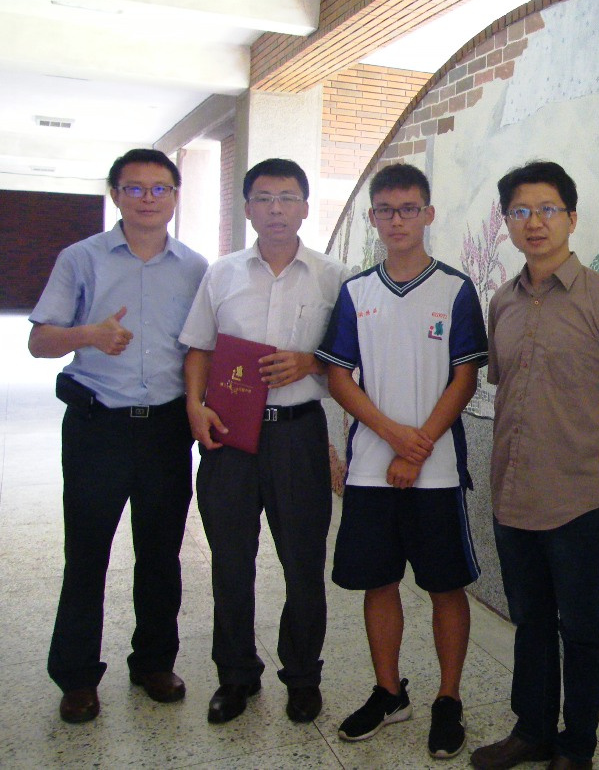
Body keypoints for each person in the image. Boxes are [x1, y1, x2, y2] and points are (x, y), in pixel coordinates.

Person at [471, 161, 599, 770]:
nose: (535, 222)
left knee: (580, 627)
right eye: (520, 212)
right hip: (513, 492)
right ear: (508, 224)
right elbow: (510, 385)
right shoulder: (502, 303)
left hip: (578, 497)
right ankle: (532, 732)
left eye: (548, 209)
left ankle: (576, 748)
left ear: (572, 218)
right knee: (529, 621)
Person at [28, 148, 207, 723]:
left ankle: (153, 662)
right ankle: (77, 676)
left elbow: (206, 348)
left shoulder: (196, 268)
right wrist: (89, 335)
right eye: (135, 188)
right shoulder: (80, 259)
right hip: (97, 427)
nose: (148, 198)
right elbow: (40, 340)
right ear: (116, 195)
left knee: (160, 553)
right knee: (87, 554)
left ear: (176, 197)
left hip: (165, 431)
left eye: (160, 189)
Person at [317, 163, 488, 759]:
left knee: (445, 586)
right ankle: (389, 692)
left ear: (428, 214)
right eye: (386, 210)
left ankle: (448, 699)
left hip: (437, 471)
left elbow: (464, 378)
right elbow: (339, 377)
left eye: (409, 209)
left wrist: (419, 449)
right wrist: (393, 437)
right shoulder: (356, 291)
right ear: (372, 218)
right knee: (378, 582)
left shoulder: (456, 289)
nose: (398, 220)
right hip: (371, 469)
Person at [180, 158, 348, 725]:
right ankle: (235, 675)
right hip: (228, 436)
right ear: (248, 207)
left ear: (305, 206)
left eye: (288, 198)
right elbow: (199, 347)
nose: (276, 209)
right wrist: (194, 407)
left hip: (298, 435)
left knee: (303, 563)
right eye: (264, 198)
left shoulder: (334, 276)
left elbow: (349, 364)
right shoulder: (222, 273)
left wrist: (310, 363)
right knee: (230, 561)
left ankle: (302, 675)